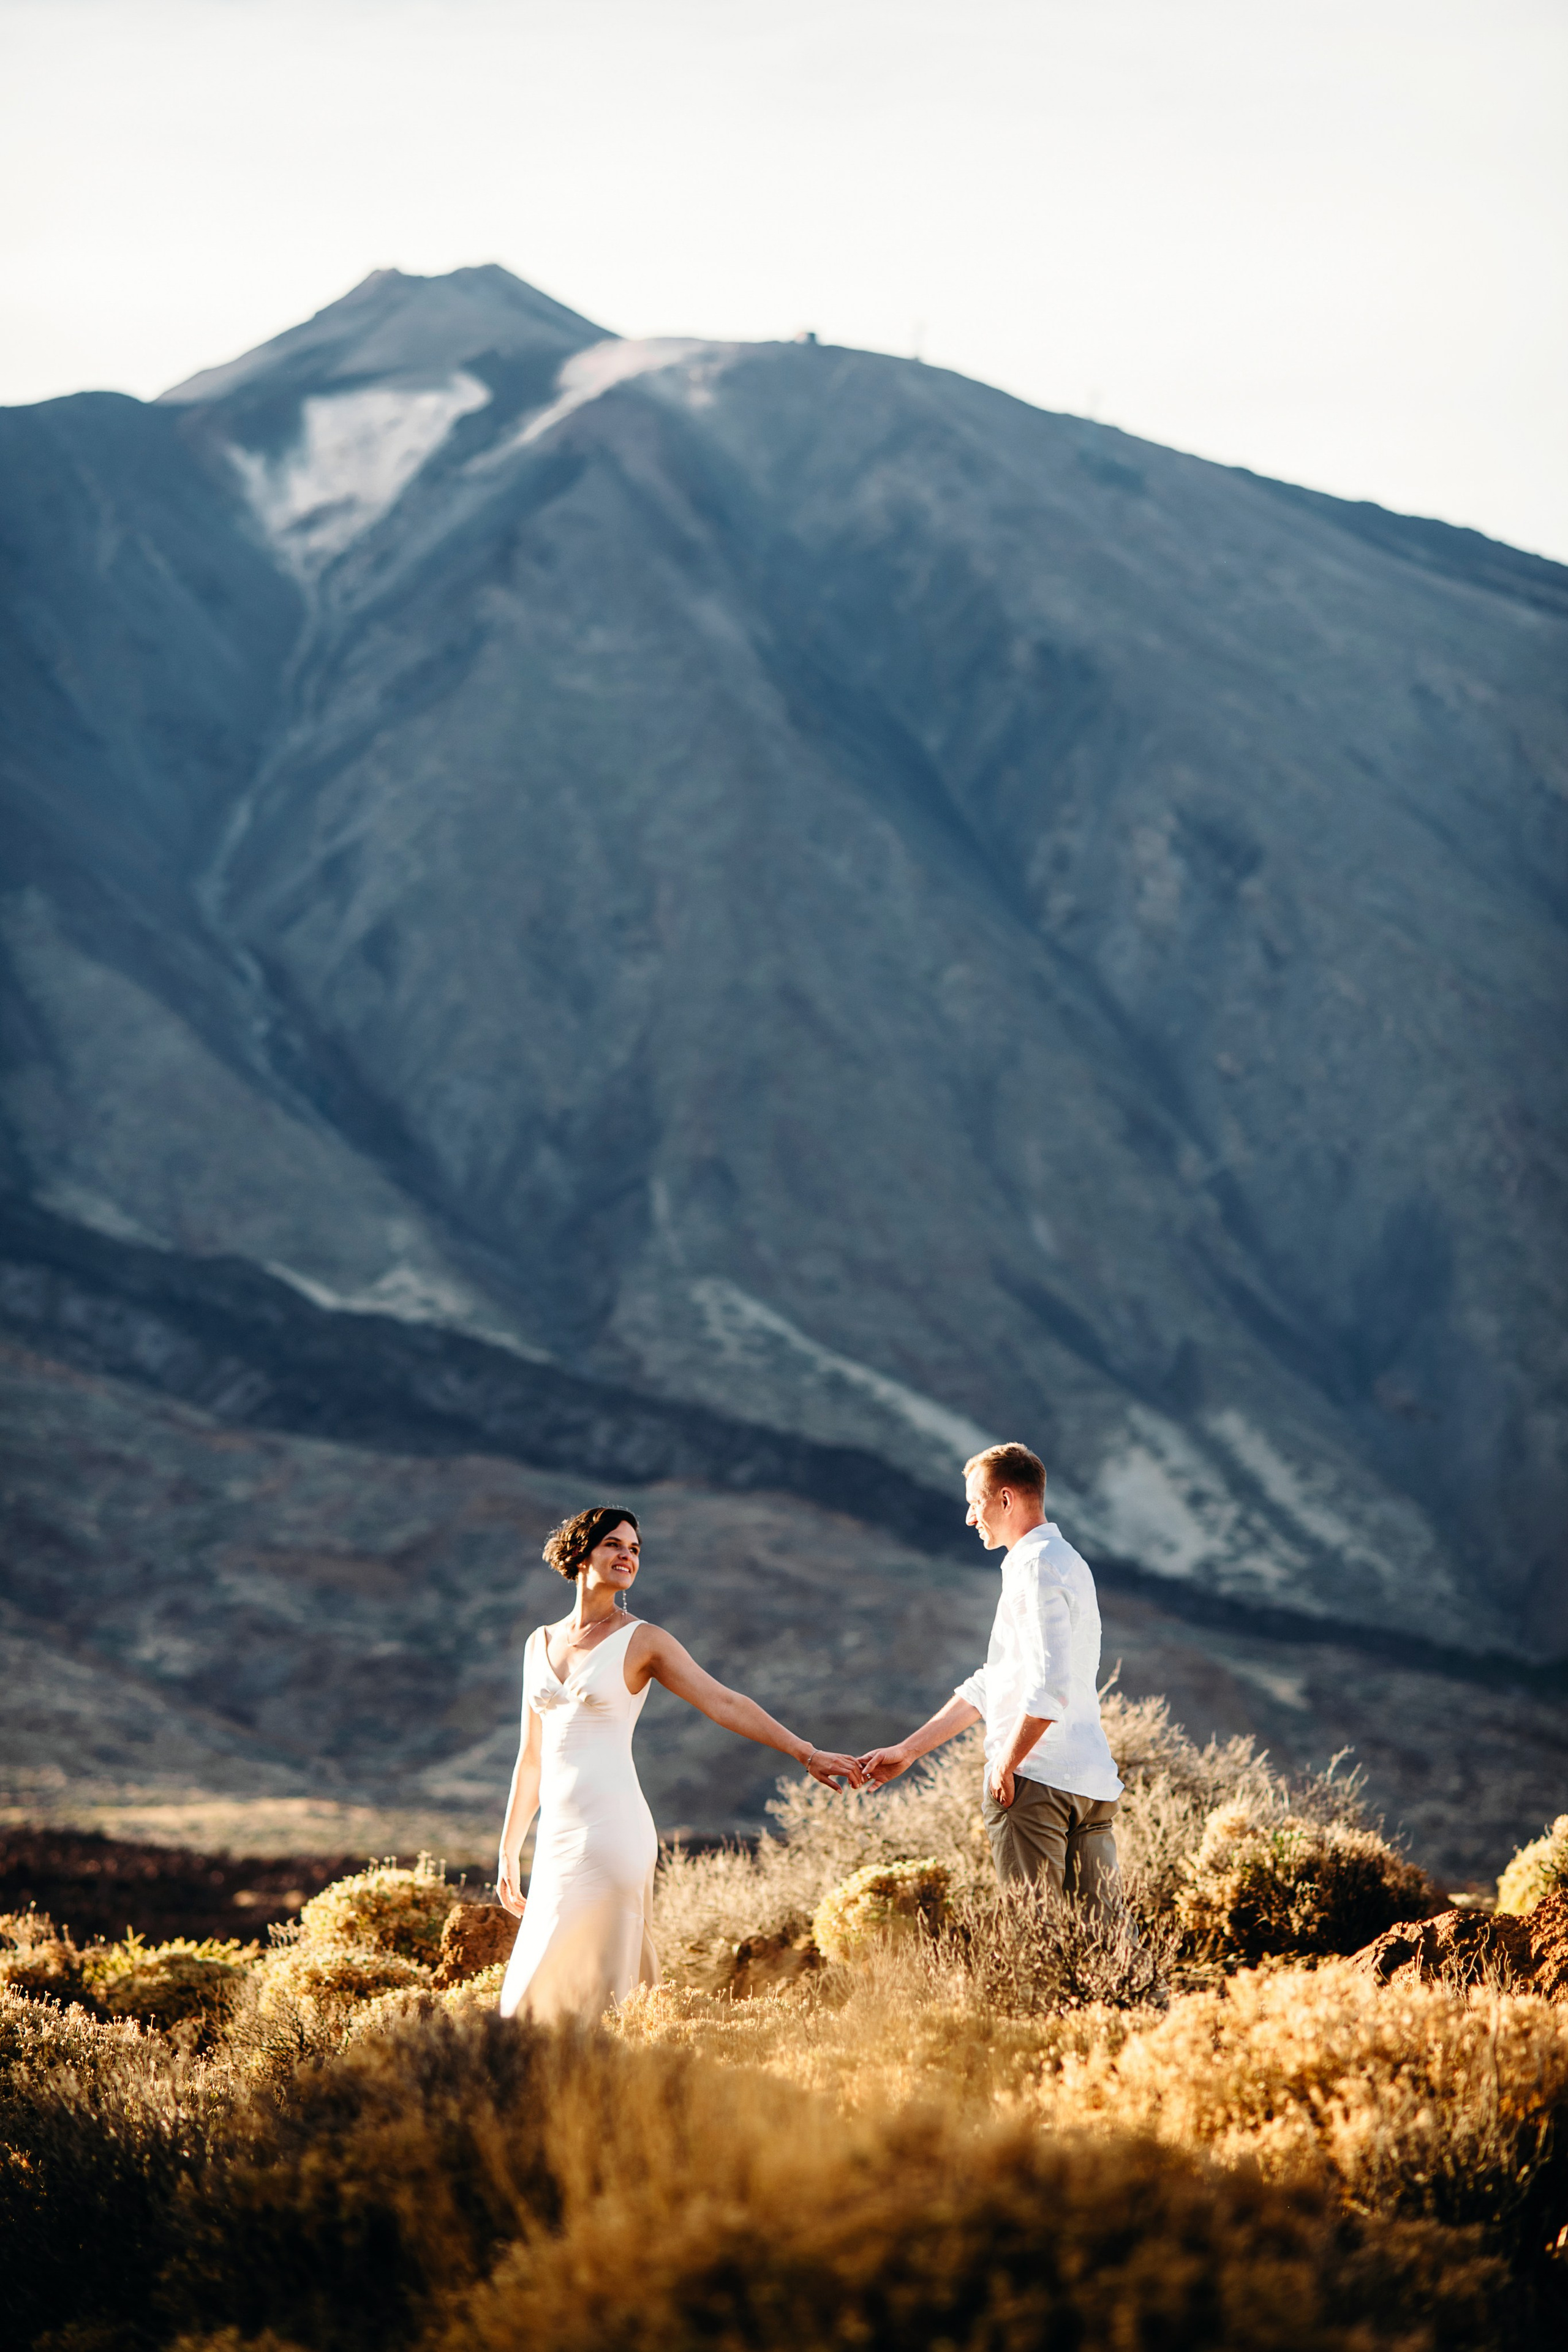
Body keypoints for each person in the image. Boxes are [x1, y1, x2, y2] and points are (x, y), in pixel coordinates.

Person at [496, 1503, 864, 2022]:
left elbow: (724, 1702)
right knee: (537, 1990)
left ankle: (605, 2086)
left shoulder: (645, 1640)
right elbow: (530, 1758)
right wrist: (510, 1850)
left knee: (590, 1985)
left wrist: (805, 1752)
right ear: (581, 1553)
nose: (627, 1556)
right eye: (614, 1545)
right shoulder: (540, 1643)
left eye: (635, 1549)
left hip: (612, 1831)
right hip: (555, 1840)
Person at [859, 1442, 1124, 1909]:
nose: (969, 1518)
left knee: (1039, 1941)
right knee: (1107, 1944)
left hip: (1036, 1782)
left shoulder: (1033, 1567)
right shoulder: (1066, 1562)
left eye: (974, 1502)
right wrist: (908, 1750)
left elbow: (1050, 1685)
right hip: (1089, 1784)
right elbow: (995, 1681)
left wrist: (1006, 1763)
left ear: (1006, 1499)